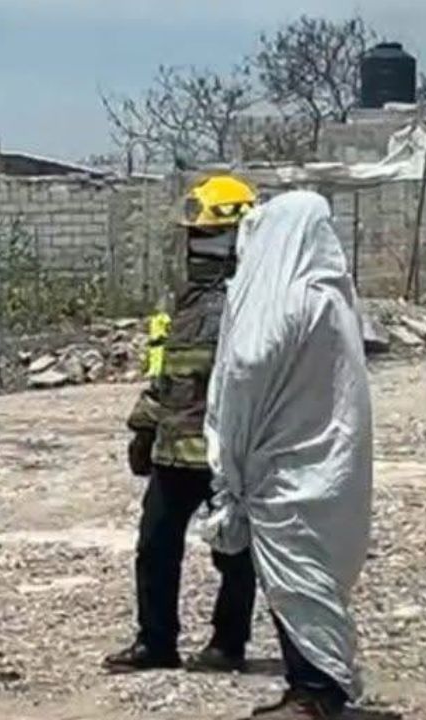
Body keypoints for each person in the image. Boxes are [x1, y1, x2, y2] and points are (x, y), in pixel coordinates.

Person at [200, 190, 373, 720]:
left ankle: (315, 690)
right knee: (316, 577)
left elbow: (247, 367)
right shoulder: (334, 295)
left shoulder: (284, 300)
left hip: (284, 468)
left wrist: (229, 452)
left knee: (294, 576)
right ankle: (321, 684)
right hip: (332, 465)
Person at [104, 174, 259, 674]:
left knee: (233, 552)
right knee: (154, 546)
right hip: (174, 450)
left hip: (225, 453)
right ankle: (156, 642)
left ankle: (228, 644)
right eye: (194, 237)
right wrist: (144, 427)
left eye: (207, 235)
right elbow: (169, 375)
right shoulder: (188, 300)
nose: (197, 247)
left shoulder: (254, 301)